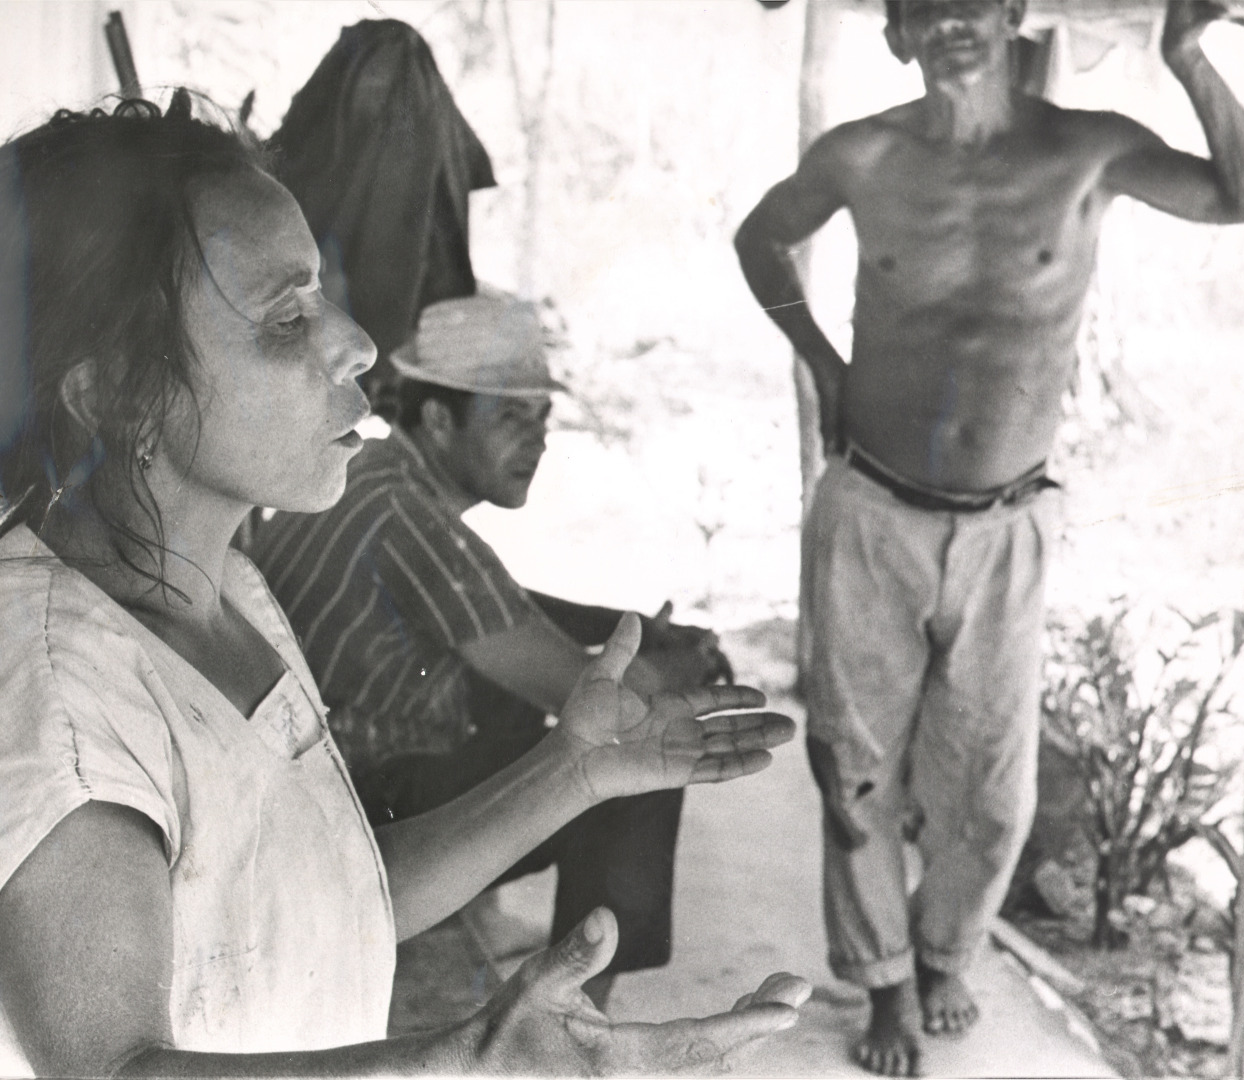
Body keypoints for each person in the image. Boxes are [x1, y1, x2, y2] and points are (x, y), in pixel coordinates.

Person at [0, 96, 806, 1078]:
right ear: (121, 392)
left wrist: (573, 774)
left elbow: (322, 894)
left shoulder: (225, 590)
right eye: (287, 317)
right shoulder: (60, 691)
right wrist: (459, 1064)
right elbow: (106, 1070)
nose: (357, 344)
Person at [733, 1, 1244, 1074]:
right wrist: (820, 359)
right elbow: (759, 235)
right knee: (853, 765)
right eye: (923, 7)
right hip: (873, 511)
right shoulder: (862, 154)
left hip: (1007, 525)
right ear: (896, 33)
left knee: (992, 791)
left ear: (1013, 16)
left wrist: (1186, 56)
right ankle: (887, 983)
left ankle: (946, 948)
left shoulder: (1083, 149)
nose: (952, 21)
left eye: (974, 0)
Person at [251, 291, 731, 1008]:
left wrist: (627, 621)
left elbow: (490, 597)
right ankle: (577, 1021)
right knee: (629, 754)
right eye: (510, 416)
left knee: (511, 685)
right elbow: (578, 686)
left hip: (304, 772)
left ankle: (470, 913)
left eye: (543, 418)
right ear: (439, 419)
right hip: (352, 803)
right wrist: (688, 662)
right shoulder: (414, 522)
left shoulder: (376, 472)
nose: (536, 440)